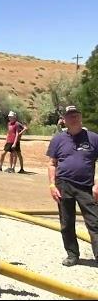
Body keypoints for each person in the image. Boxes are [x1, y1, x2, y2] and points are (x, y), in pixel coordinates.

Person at [46, 105, 98, 267]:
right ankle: (72, 255)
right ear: (65, 120)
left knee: (94, 222)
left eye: (76, 115)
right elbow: (51, 164)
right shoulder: (58, 139)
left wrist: (97, 184)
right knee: (67, 222)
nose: (74, 118)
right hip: (64, 185)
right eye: (70, 116)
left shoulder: (94, 138)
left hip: (87, 186)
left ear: (80, 117)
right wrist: (52, 185)